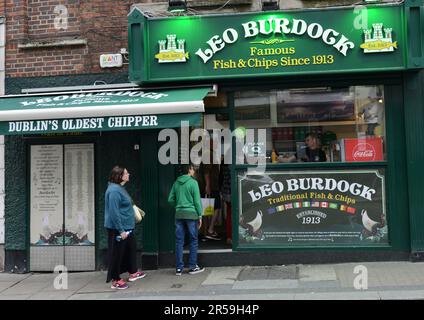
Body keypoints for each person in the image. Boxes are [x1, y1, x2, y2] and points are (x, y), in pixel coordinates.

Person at [104, 165, 146, 290]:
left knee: (130, 249)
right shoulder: (114, 191)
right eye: (126, 173)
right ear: (120, 176)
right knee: (117, 254)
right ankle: (115, 279)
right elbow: (114, 212)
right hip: (118, 229)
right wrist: (121, 230)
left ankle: (133, 272)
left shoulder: (120, 188)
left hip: (127, 227)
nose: (129, 175)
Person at [168, 164, 205, 276]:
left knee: (179, 241)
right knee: (193, 240)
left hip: (179, 215)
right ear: (189, 170)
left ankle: (179, 268)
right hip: (192, 215)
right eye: (193, 169)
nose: (194, 171)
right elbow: (197, 202)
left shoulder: (176, 183)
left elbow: (170, 199)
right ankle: (192, 267)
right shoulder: (193, 183)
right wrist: (200, 215)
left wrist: (178, 207)